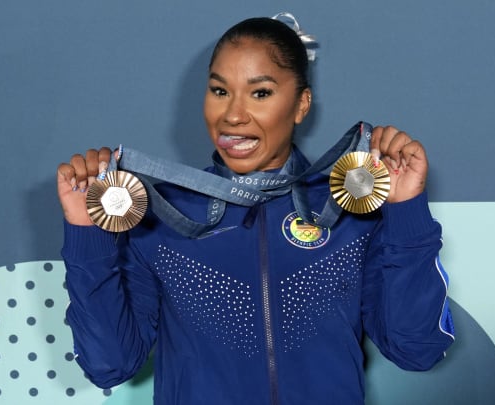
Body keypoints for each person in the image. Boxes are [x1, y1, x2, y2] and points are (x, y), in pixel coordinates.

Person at [57, 14, 454, 405]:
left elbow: (417, 349)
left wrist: (405, 211)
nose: (232, 115)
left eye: (260, 93)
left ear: (301, 105)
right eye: (219, 91)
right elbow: (110, 364)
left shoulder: (349, 211)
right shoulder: (161, 217)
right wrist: (87, 234)